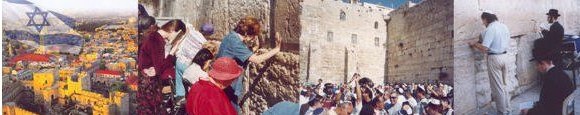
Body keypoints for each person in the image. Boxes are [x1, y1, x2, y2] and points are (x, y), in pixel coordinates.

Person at [216, 16, 282, 110]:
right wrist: (276, 49)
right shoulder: (236, 43)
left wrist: (255, 47)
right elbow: (257, 60)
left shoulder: (230, 37)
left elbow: (241, 54)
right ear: (247, 33)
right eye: (254, 35)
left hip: (223, 83)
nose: (254, 38)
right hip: (228, 87)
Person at [469, 12, 512, 115]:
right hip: (505, 56)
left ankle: (502, 112)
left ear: (485, 19)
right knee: (505, 85)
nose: (483, 23)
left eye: (482, 21)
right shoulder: (504, 26)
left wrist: (474, 44)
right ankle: (508, 110)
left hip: (494, 58)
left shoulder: (490, 29)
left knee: (498, 88)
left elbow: (485, 48)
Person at [521, 39, 575, 115]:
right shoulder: (562, 73)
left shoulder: (550, 80)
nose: (536, 68)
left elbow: (546, 110)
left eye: (537, 65)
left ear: (543, 64)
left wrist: (528, 112)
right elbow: (550, 101)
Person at [137, 15, 176, 115]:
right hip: (149, 82)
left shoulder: (151, 38)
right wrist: (172, 55)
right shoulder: (154, 38)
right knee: (151, 108)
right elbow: (159, 67)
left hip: (145, 78)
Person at [172, 22, 212, 99]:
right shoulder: (204, 42)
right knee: (193, 86)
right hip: (188, 65)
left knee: (180, 84)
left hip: (180, 60)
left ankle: (179, 100)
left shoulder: (192, 33)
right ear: (208, 34)